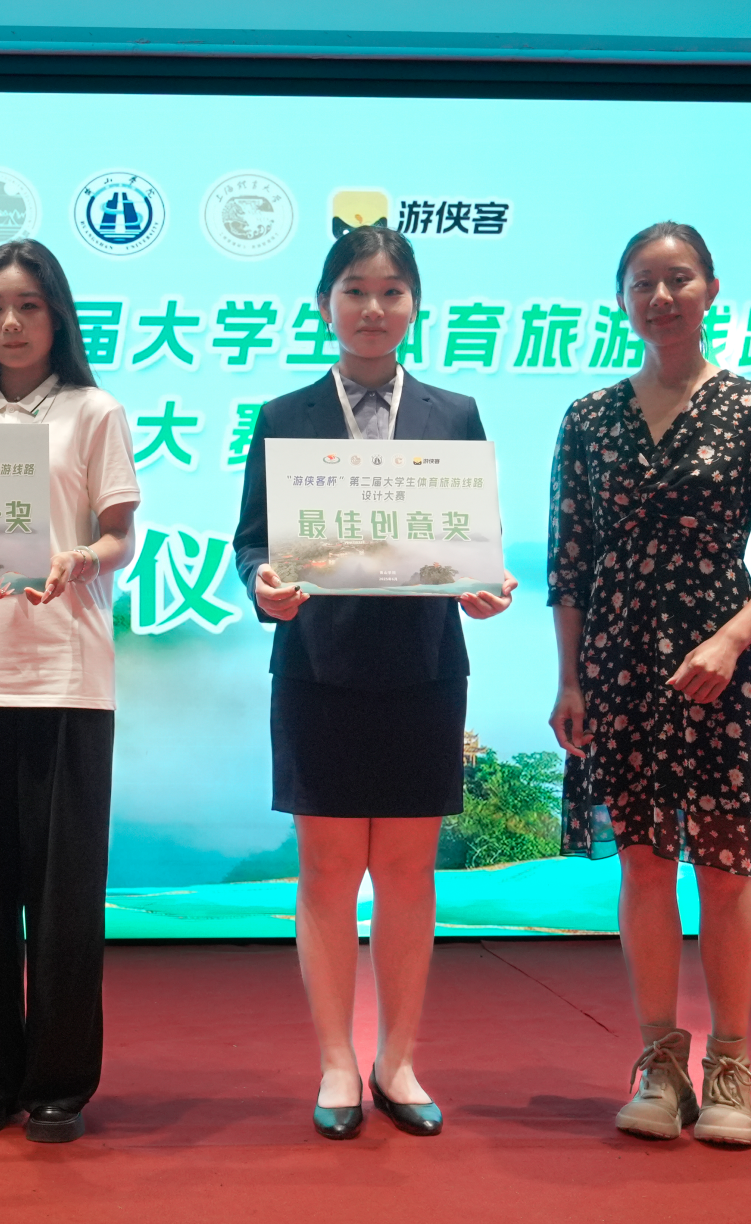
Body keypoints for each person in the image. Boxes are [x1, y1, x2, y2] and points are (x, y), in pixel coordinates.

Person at [233, 226, 516, 1141]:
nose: (373, 308)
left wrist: (485, 585)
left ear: (415, 307)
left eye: (392, 292)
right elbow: (252, 540)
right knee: (325, 874)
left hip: (424, 669)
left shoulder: (455, 413)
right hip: (316, 668)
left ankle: (396, 1060)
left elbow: (472, 543)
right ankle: (334, 1062)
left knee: (406, 874)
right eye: (355, 290)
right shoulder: (283, 416)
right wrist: (262, 584)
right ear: (325, 305)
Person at [548, 222, 751, 1148]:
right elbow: (569, 564)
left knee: (727, 867)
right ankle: (661, 1065)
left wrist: (731, 642)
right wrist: (569, 680)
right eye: (642, 283)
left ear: (711, 290)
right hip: (618, 664)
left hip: (720, 669)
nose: (661, 297)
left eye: (678, 279)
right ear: (621, 301)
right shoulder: (587, 417)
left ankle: (731, 1067)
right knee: (643, 864)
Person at [0, 241, 139, 1144]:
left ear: (58, 316)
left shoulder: (94, 410)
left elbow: (120, 533)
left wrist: (80, 558)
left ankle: (58, 1083)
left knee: (63, 900)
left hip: (67, 678)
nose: (10, 324)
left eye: (28, 307)